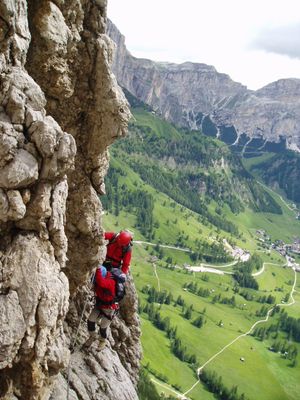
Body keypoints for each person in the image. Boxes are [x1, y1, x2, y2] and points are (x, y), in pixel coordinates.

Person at [85, 265, 126, 350]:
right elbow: (96, 283)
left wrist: (98, 269)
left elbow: (101, 283)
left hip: (109, 309)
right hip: (100, 305)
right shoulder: (98, 281)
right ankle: (93, 336)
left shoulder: (111, 282)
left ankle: (102, 341)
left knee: (103, 328)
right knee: (90, 321)